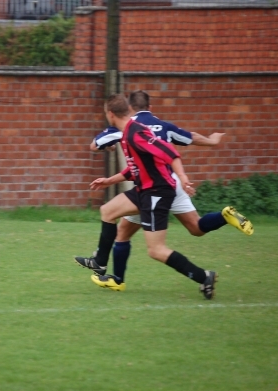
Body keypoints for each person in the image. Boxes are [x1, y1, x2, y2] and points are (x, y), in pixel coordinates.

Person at [75, 90, 253, 283]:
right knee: (108, 211)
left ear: (110, 114)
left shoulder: (134, 132)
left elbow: (168, 151)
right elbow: (138, 166)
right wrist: (109, 180)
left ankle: (203, 277)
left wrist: (183, 176)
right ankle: (101, 264)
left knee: (156, 250)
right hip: (146, 187)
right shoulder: (131, 132)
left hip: (156, 191)